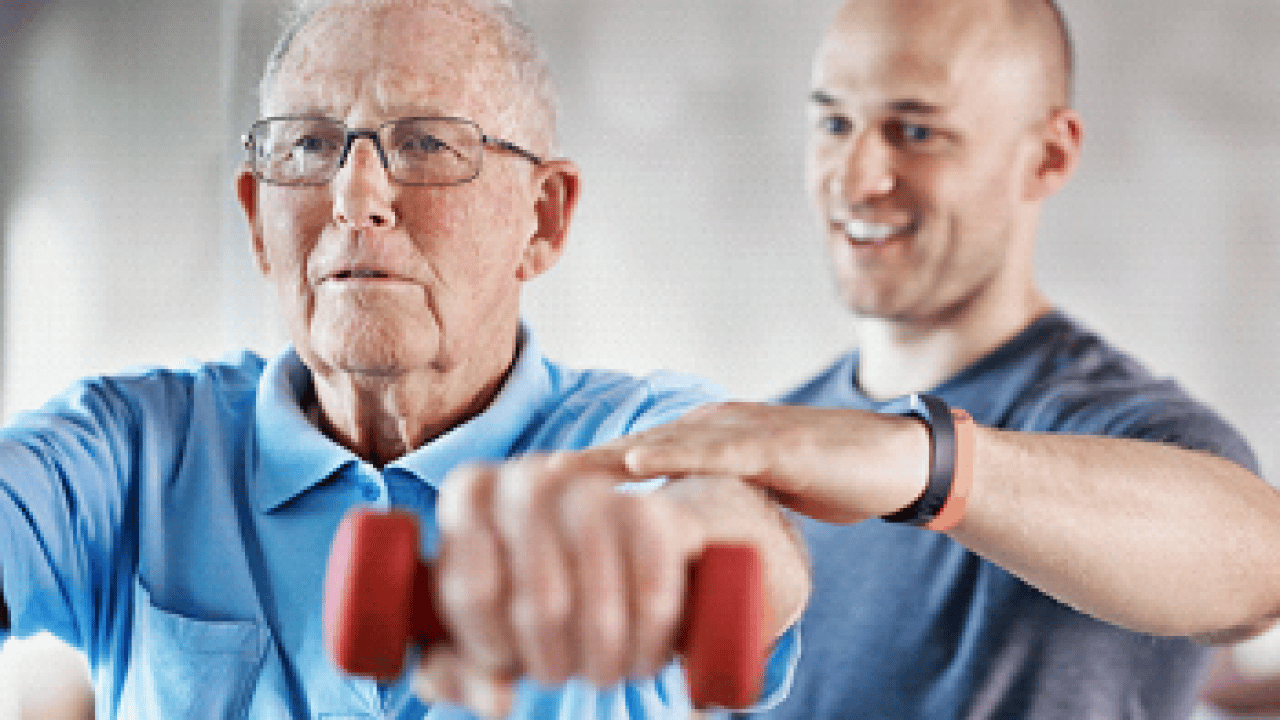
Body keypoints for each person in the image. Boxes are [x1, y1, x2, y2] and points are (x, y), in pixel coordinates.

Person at [0, 1, 810, 718]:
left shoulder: (633, 435)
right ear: (256, 218)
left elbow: (739, 535)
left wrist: (664, 545)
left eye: (426, 142)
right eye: (311, 145)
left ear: (545, 220)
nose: (355, 198)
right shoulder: (129, 450)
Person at [542, 0, 1280, 717]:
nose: (855, 177)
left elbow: (1259, 565)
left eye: (917, 131)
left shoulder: (1114, 428)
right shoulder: (776, 440)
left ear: (1048, 156)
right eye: (834, 122)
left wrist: (926, 463)